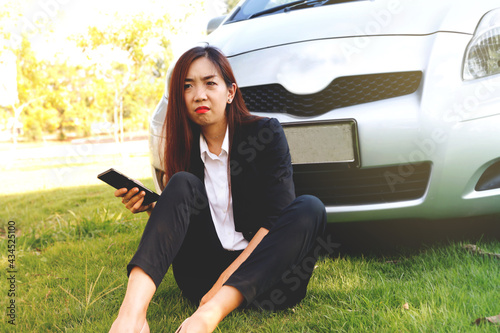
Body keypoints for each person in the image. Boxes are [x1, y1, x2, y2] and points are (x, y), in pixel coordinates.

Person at [109, 45, 326, 333]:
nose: (199, 94)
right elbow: (182, 230)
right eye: (188, 87)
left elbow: (275, 220)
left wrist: (221, 289)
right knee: (182, 183)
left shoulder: (266, 134)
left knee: (310, 207)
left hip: (270, 280)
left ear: (230, 92)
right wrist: (153, 208)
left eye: (210, 83)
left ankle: (208, 316)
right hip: (201, 280)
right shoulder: (182, 148)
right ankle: (131, 318)